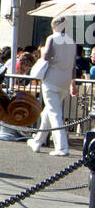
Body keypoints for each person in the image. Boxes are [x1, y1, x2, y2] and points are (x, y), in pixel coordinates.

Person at [28, 16, 78, 155]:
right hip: (65, 80)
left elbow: (46, 57)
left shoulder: (52, 38)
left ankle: (61, 147)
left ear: (53, 26)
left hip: (51, 79)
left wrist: (44, 52)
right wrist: (73, 83)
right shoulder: (72, 42)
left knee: (54, 114)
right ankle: (37, 141)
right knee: (49, 112)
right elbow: (73, 65)